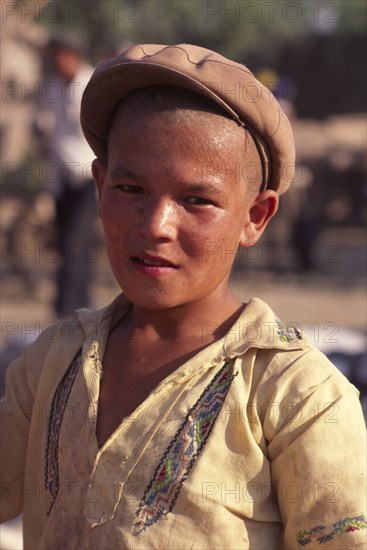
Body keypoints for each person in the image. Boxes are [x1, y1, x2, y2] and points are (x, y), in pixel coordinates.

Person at [1, 44, 366, 549]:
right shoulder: (53, 359)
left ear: (255, 217)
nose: (156, 226)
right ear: (100, 186)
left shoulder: (297, 394)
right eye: (130, 189)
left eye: (197, 200)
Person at [34, 35, 98, 317]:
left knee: (77, 241)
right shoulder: (52, 86)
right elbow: (43, 125)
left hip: (87, 175)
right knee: (65, 244)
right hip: (60, 177)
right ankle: (72, 306)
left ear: (73, 55)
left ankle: (72, 308)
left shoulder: (92, 84)